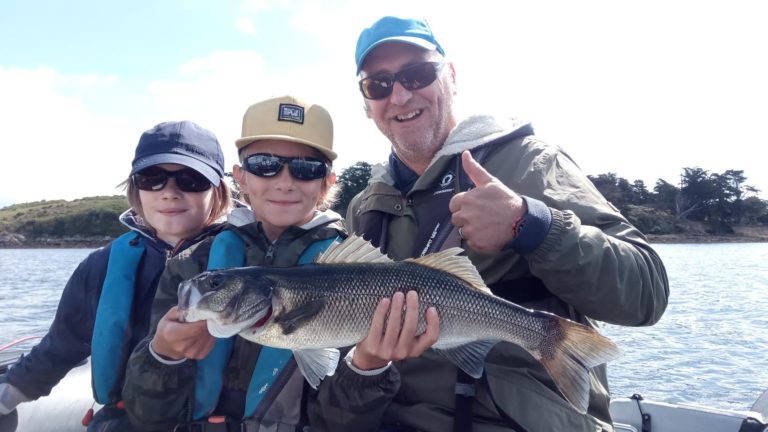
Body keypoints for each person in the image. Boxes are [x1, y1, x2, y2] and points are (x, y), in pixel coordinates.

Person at [307, 16, 670, 432]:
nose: (401, 96)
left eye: (417, 74)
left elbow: (647, 293)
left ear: (451, 76)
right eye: (379, 85)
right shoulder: (365, 208)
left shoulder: (529, 163)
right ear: (366, 103)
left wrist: (533, 225)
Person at [122, 95, 346, 431]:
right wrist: (162, 355)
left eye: (306, 169)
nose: (285, 182)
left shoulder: (351, 264)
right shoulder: (191, 266)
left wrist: (369, 369)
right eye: (264, 165)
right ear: (240, 176)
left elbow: (346, 420)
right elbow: (147, 418)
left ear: (327, 181)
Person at [0, 120, 232, 431]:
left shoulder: (248, 260)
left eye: (191, 180)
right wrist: (8, 395)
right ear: (135, 187)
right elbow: (60, 346)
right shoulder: (101, 266)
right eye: (152, 178)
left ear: (218, 189)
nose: (169, 193)